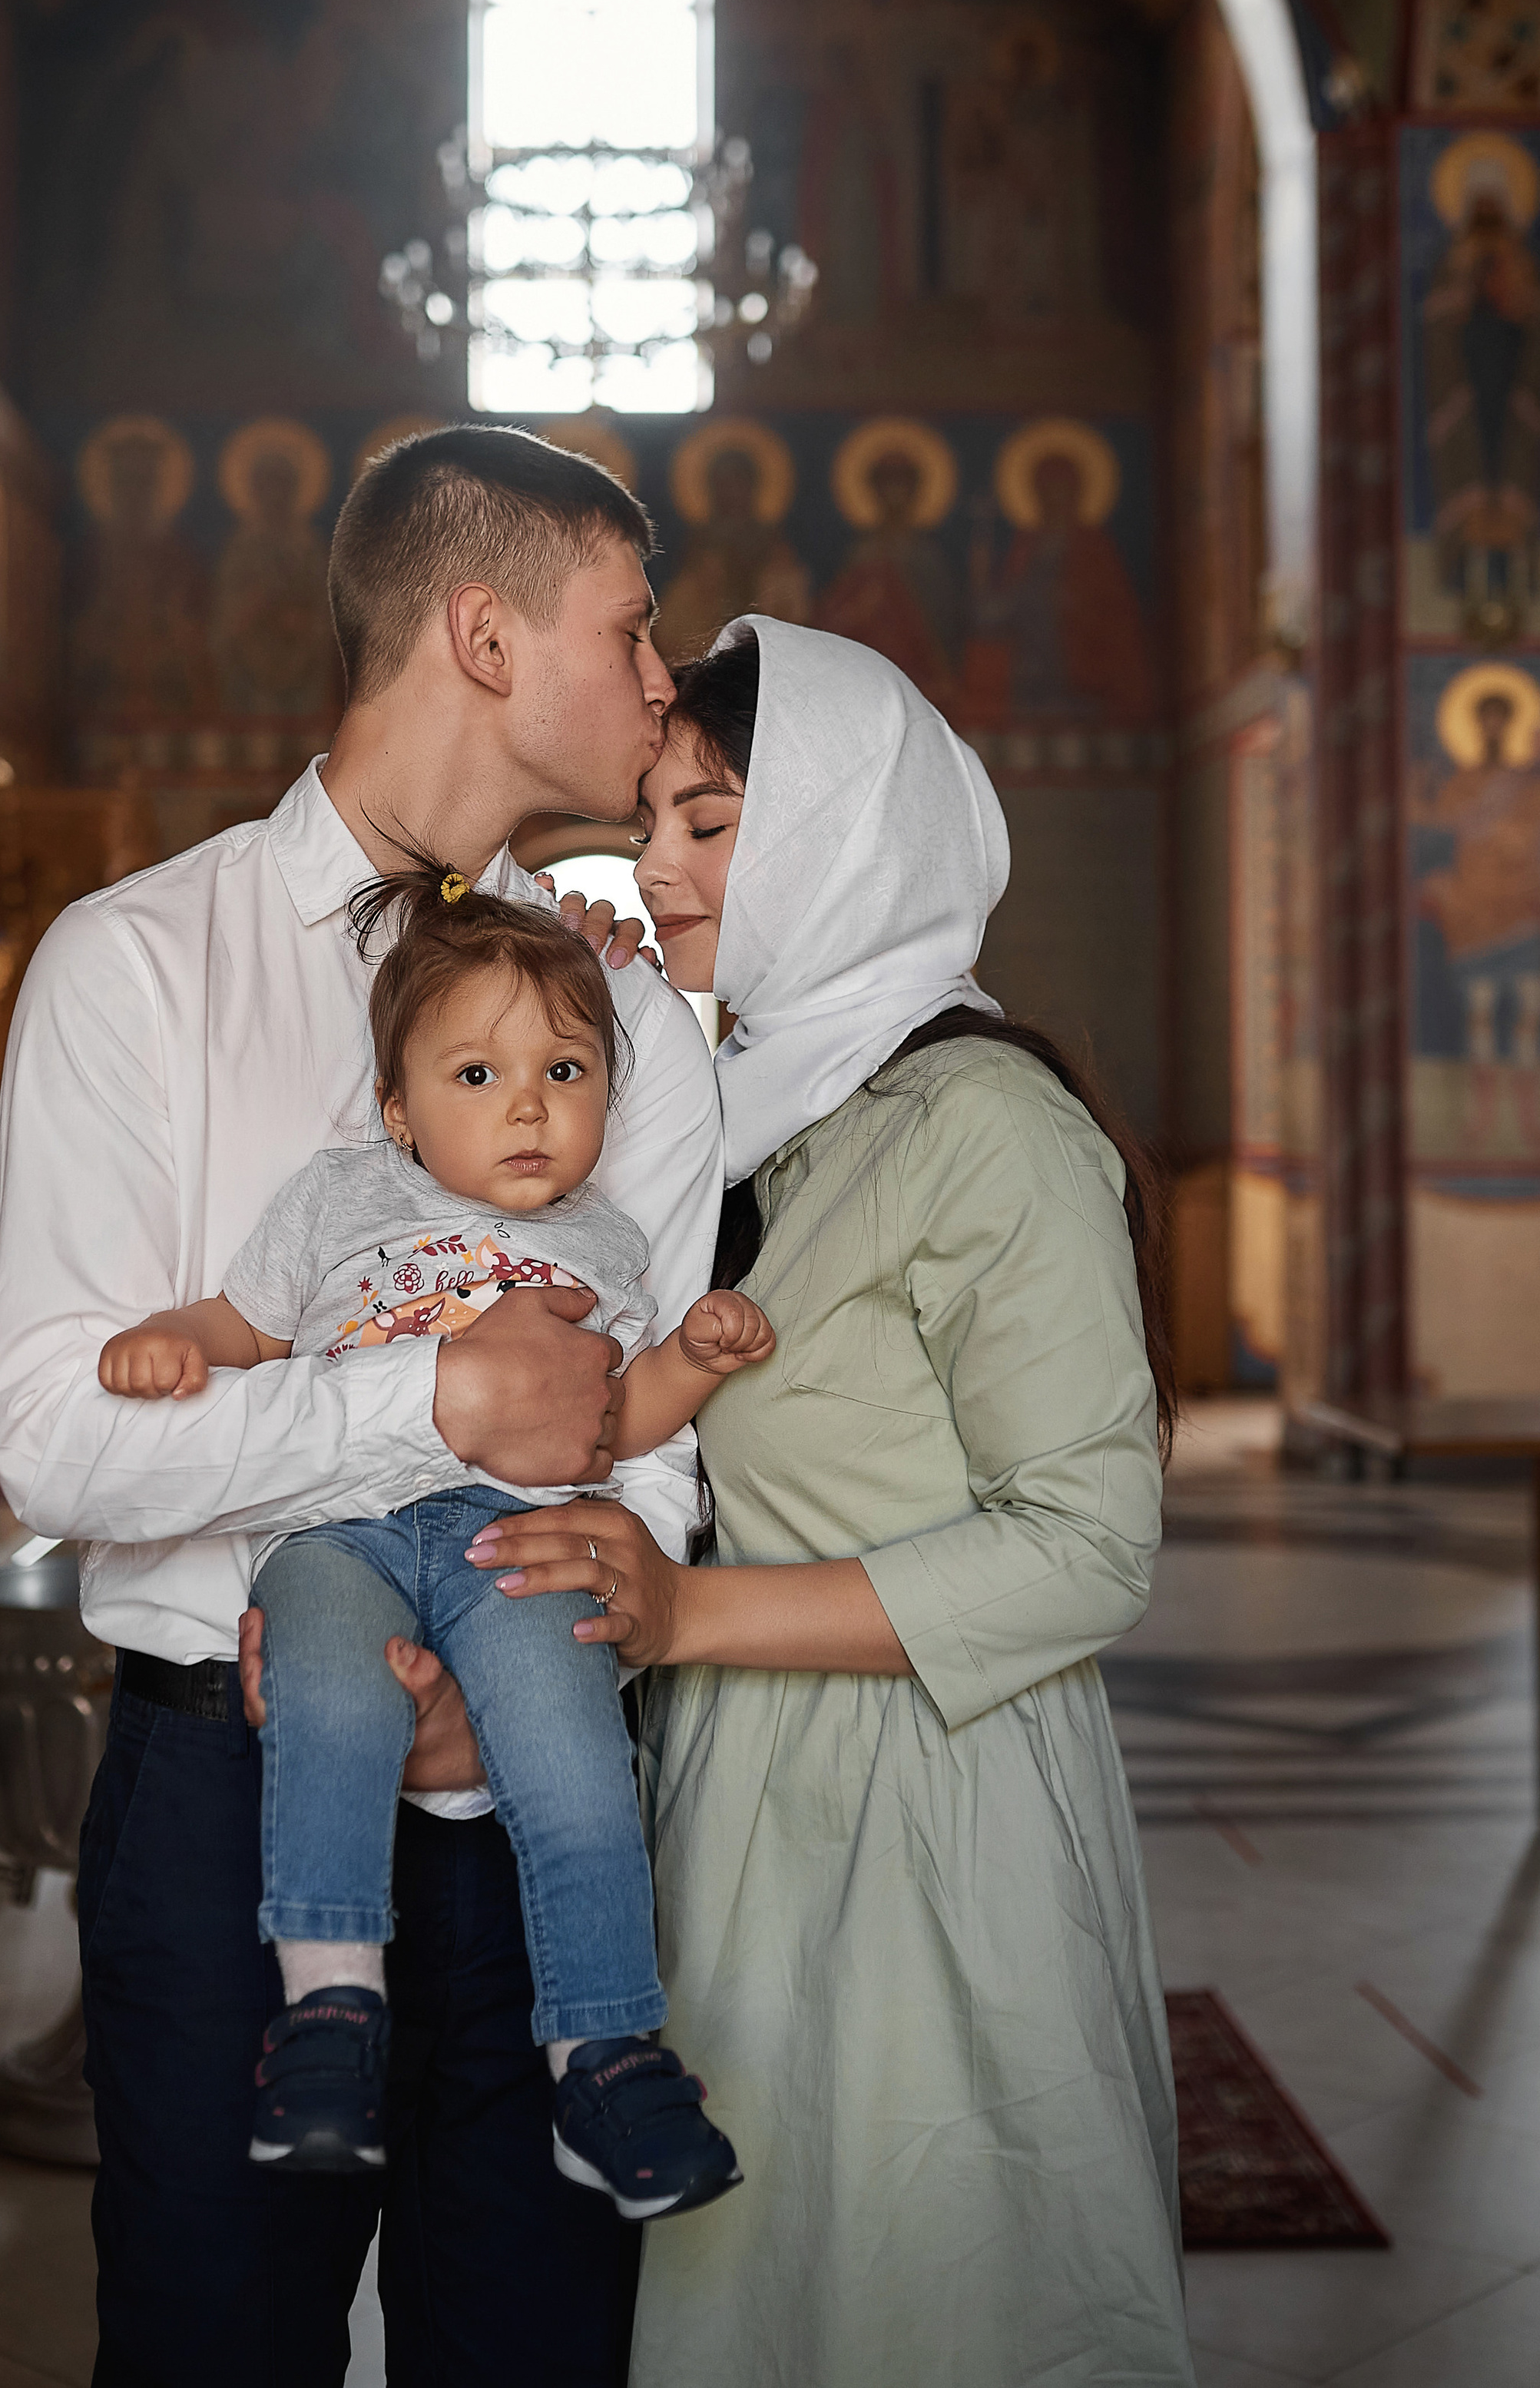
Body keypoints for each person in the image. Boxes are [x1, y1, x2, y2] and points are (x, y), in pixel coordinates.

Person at [0, 426, 724, 2387]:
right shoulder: (134, 962)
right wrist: (438, 1400)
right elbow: (59, 1436)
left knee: (537, 2355)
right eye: (629, 628)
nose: (661, 682)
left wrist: (538, 1644)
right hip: (223, 1815)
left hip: (535, 1806)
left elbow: (651, 1436)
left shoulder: (622, 1021)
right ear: (482, 633)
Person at [470, 618, 1195, 2386]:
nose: (653, 867)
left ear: (845, 836)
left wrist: (686, 1609)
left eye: (706, 824)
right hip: (740, 1786)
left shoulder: (981, 1124)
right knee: (759, 2290)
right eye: (652, 819)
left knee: (912, 2276)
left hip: (929, 1816)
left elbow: (1087, 1544)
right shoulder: (756, 1113)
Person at [96, 869, 763, 2212]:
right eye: (476, 1071)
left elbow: (613, 1424)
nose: (526, 1103)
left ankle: (603, 2051)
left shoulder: (609, 1243)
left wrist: (688, 1354)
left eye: (564, 1068)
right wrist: (182, 1340)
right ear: (398, 1108)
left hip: (514, 1544)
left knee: (575, 1751)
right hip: (339, 1533)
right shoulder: (338, 1200)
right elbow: (253, 1325)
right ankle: (331, 2011)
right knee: (331, 1701)